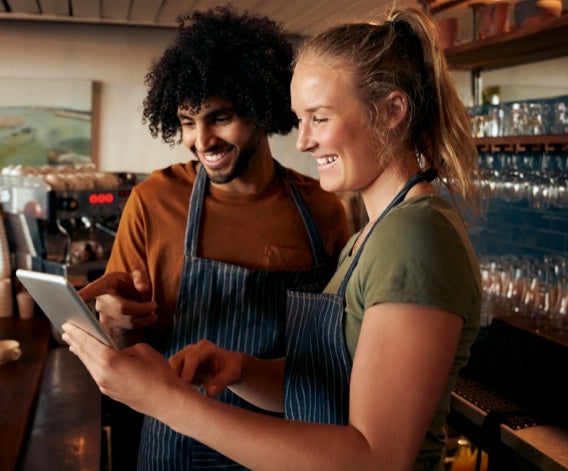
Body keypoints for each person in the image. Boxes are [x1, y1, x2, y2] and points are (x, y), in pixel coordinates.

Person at [68, 6, 481, 470]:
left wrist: (170, 402)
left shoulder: (414, 238)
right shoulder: (373, 236)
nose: (302, 142)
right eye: (300, 119)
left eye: (319, 119)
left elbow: (376, 459)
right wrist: (243, 370)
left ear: (391, 110)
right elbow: (330, 383)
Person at [78, 5, 351, 469]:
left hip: (283, 448)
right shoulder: (152, 202)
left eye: (219, 118)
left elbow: (332, 354)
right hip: (173, 446)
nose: (201, 140)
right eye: (187, 122)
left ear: (262, 109)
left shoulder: (323, 210)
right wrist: (116, 327)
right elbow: (125, 356)